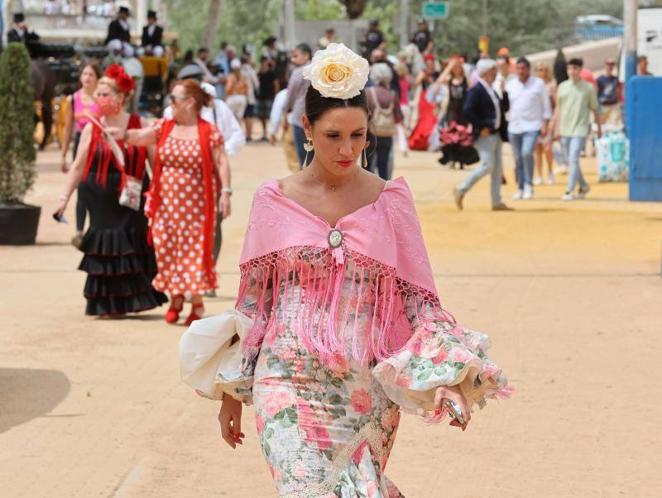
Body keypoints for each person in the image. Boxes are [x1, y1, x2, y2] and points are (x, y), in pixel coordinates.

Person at [179, 43, 510, 497]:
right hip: (286, 379)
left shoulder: (390, 201)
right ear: (307, 129)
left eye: (358, 135)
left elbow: (419, 301)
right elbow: (254, 305)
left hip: (363, 387)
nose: (348, 148)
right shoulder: (272, 201)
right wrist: (232, 392)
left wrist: (447, 380)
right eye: (334, 135)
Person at [113, 79, 231, 325]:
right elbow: (140, 137)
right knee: (167, 249)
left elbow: (221, 162)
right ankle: (176, 297)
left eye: (174, 99)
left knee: (194, 252)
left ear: (189, 103)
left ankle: (196, 304)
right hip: (166, 206)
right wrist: (123, 134)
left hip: (197, 207)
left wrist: (226, 193)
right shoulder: (164, 127)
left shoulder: (209, 132)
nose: (170, 103)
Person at [53, 64, 167, 316]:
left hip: (132, 195)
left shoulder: (140, 124)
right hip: (100, 197)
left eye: (105, 94)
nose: (99, 99)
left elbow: (156, 163)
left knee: (130, 242)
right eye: (98, 95)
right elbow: (78, 166)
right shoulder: (93, 127)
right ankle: (106, 304)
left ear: (122, 97)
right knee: (105, 247)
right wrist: (64, 198)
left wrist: (162, 194)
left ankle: (131, 300)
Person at [453, 59, 512, 211]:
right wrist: (480, 127)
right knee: (487, 166)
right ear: (486, 72)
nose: (495, 73)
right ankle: (462, 188)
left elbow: (504, 108)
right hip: (486, 135)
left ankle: (496, 201)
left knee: (497, 169)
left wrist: (503, 92)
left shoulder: (492, 89)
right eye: (493, 70)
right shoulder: (477, 90)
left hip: (496, 134)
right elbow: (468, 110)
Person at [61, 63, 102, 246]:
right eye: (84, 74)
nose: (87, 78)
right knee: (82, 188)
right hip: (79, 143)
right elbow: (68, 128)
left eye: (91, 74)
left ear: (97, 78)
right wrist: (63, 155)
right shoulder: (73, 99)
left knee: (97, 186)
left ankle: (96, 226)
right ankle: (79, 231)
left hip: (97, 144)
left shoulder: (101, 99)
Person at [551, 58, 601, 201]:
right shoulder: (562, 87)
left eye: (574, 68)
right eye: (569, 69)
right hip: (565, 128)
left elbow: (595, 109)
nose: (571, 72)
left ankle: (569, 190)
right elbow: (558, 108)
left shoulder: (588, 88)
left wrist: (599, 128)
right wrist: (555, 127)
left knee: (573, 158)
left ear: (580, 70)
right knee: (571, 161)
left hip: (580, 128)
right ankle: (584, 185)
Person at [506, 57, 552, 201]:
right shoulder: (511, 84)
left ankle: (528, 185)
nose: (520, 71)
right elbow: (506, 105)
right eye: (518, 69)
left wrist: (545, 123)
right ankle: (520, 187)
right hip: (514, 126)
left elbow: (546, 105)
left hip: (532, 126)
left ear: (528, 69)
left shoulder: (538, 84)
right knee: (518, 158)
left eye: (523, 68)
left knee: (527, 153)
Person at [367, 63, 403, 180]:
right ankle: (384, 194)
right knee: (383, 168)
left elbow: (364, 115)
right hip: (386, 135)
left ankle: (367, 195)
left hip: (370, 135)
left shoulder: (368, 93)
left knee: (367, 168)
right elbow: (399, 118)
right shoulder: (393, 94)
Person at [285, 43, 313, 167]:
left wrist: (285, 110)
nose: (293, 59)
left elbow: (290, 95)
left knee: (304, 158)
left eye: (296, 56)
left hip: (300, 119)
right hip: (318, 117)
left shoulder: (298, 72)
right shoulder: (320, 69)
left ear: (306, 55)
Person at [408, 53, 439, 151]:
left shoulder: (437, 73)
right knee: (424, 119)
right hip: (425, 98)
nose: (431, 65)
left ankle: (431, 142)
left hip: (435, 98)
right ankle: (421, 141)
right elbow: (416, 83)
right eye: (429, 63)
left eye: (432, 63)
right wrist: (423, 76)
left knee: (433, 119)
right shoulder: (423, 72)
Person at [533, 62, 556, 185]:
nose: (539, 72)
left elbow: (556, 105)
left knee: (547, 148)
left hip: (548, 120)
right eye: (537, 69)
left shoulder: (551, 86)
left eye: (542, 69)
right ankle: (539, 175)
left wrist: (553, 122)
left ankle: (551, 171)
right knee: (537, 149)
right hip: (535, 120)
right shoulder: (533, 85)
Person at [596, 58, 622, 127]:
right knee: (600, 125)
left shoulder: (615, 79)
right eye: (608, 64)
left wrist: (619, 103)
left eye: (612, 65)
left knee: (614, 124)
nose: (610, 66)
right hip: (603, 106)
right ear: (605, 65)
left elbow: (618, 92)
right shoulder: (599, 79)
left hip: (613, 106)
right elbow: (596, 92)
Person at [256, 56, 277, 142]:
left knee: (271, 116)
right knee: (262, 116)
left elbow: (276, 84)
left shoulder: (271, 73)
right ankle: (264, 133)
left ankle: (271, 133)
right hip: (261, 97)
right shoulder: (259, 73)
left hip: (269, 96)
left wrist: (275, 95)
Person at [241, 53, 260, 142]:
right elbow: (256, 84)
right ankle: (249, 136)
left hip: (240, 96)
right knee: (249, 116)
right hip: (249, 97)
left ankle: (243, 135)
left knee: (243, 117)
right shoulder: (251, 71)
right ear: (248, 60)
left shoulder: (238, 71)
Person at [225, 58, 249, 124]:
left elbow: (228, 88)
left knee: (229, 118)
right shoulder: (243, 77)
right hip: (242, 98)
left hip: (232, 98)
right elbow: (247, 88)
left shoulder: (231, 77)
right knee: (238, 120)